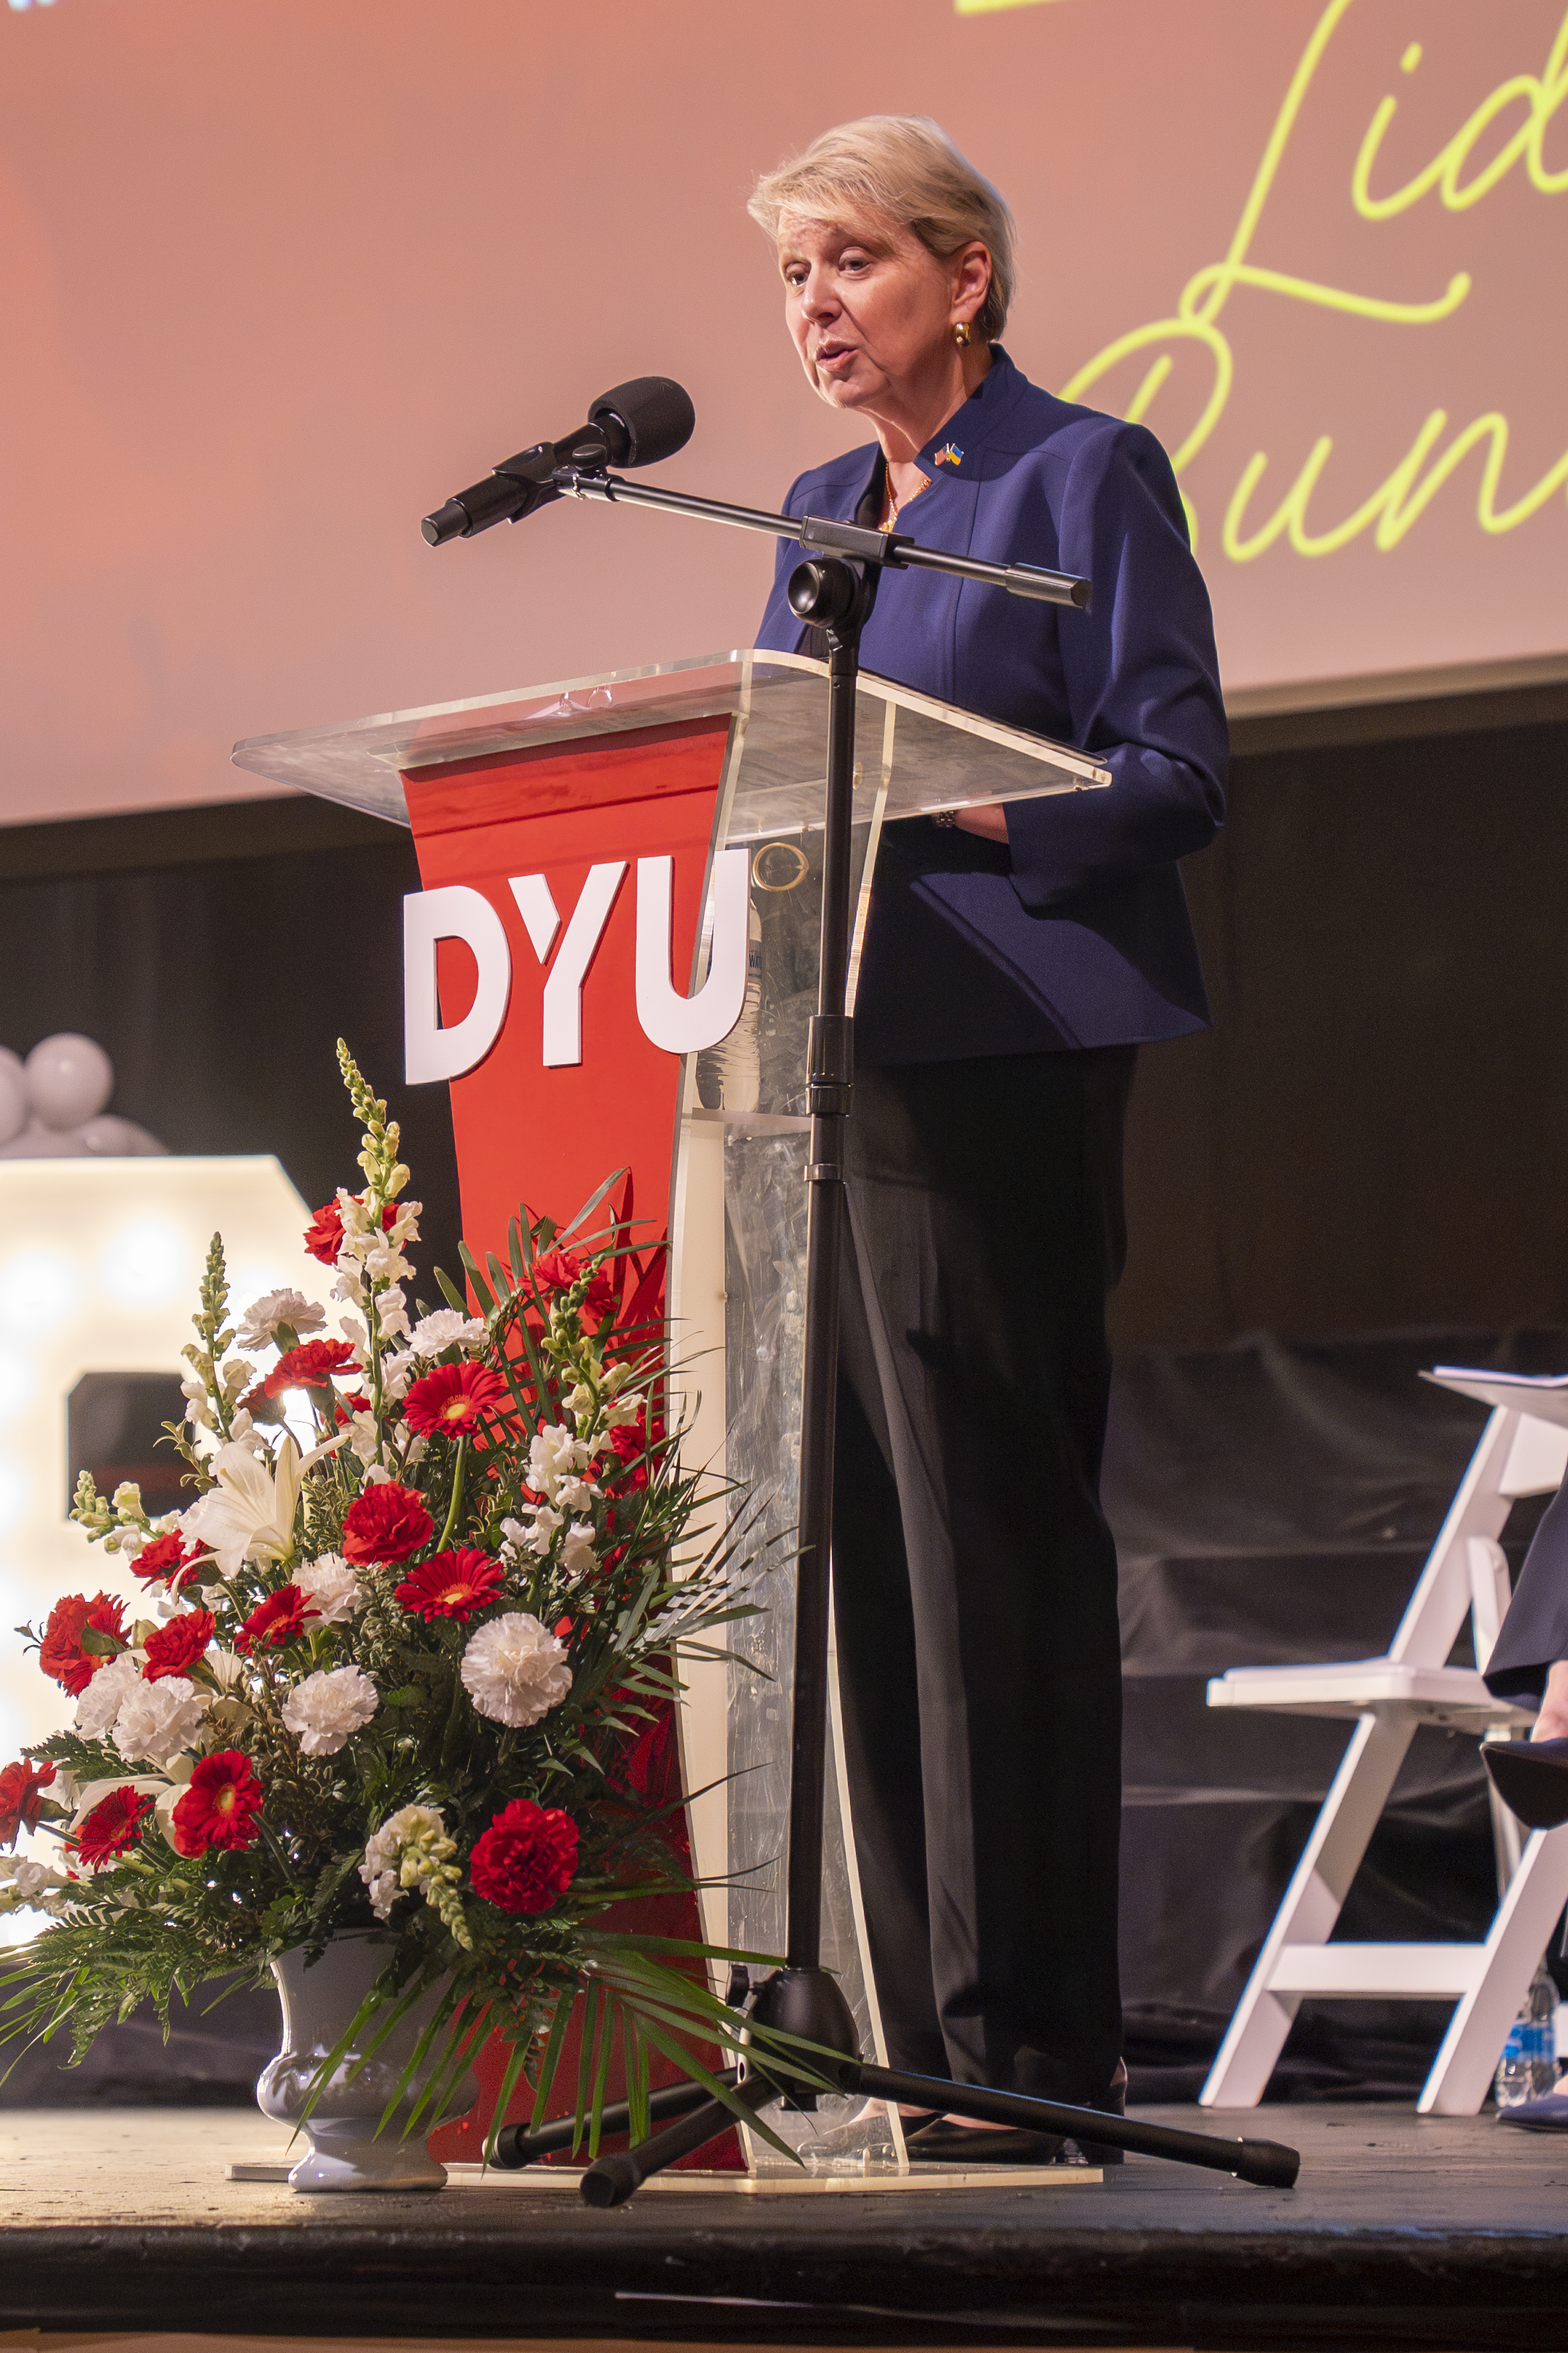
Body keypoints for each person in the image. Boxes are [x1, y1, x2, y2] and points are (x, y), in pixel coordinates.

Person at [747, 117, 1227, 2158]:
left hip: (1008, 1053)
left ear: (966, 273)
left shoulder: (1079, 469)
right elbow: (777, 757)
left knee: (994, 1550)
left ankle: (1032, 2045)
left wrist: (970, 805)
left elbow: (1175, 768)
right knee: (864, 1543)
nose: (816, 309)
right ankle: (909, 2032)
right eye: (793, 276)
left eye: (851, 261)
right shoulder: (812, 507)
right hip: (838, 1050)